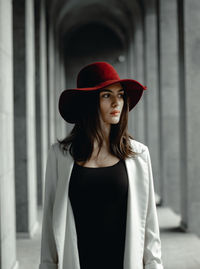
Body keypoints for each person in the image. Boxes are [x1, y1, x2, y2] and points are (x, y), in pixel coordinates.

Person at [39, 61, 164, 269]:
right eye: (106, 95)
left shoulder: (139, 155)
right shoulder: (59, 156)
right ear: (89, 102)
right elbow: (50, 225)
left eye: (121, 95)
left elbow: (150, 225)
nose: (117, 102)